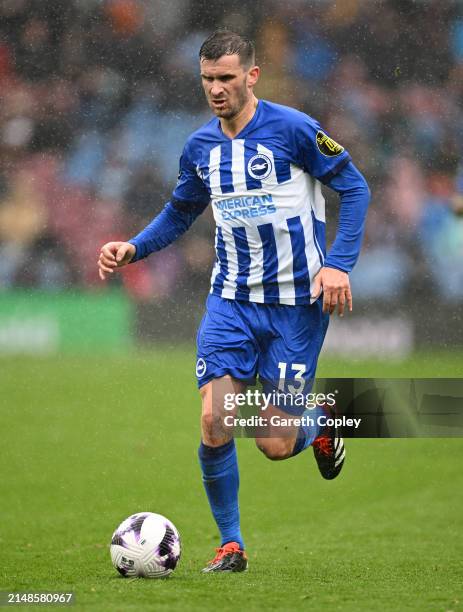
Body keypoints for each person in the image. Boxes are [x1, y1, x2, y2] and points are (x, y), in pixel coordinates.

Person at [97, 30, 370, 573]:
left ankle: (319, 422)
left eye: (226, 78)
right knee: (214, 419)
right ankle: (231, 545)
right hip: (231, 303)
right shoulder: (200, 148)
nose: (216, 89)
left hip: (296, 308)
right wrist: (134, 247)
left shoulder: (294, 130)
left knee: (272, 441)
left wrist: (339, 264)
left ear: (251, 76)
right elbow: (181, 212)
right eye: (208, 80)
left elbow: (355, 187)